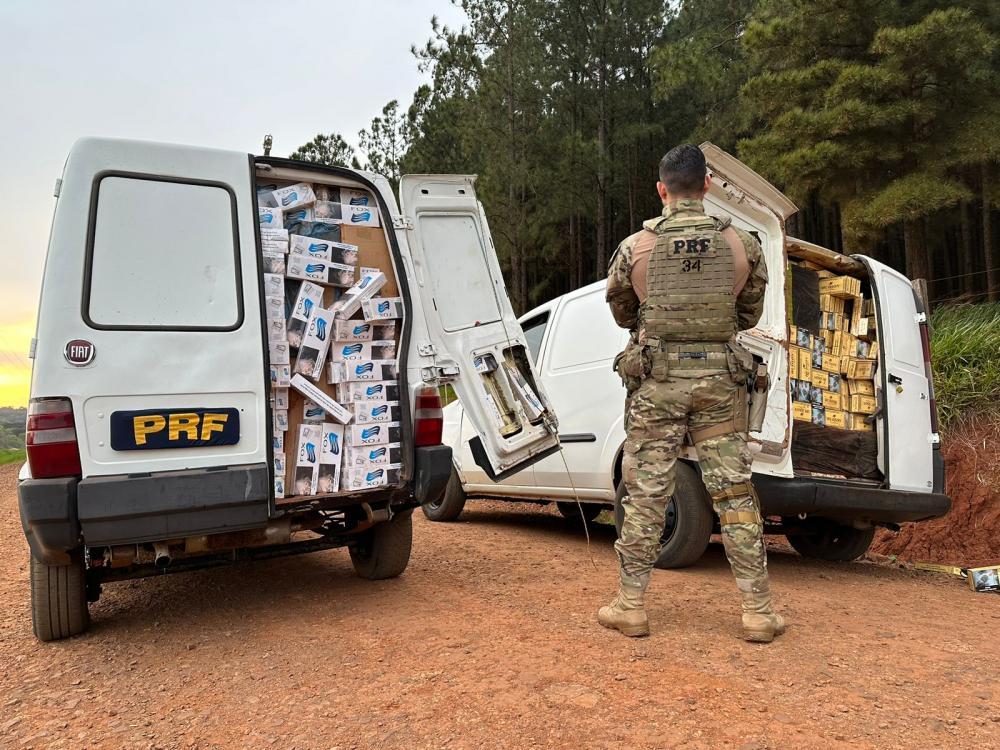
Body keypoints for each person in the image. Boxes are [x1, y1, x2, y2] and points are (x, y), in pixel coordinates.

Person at [600, 144, 785, 643]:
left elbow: (622, 312)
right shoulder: (743, 244)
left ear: (662, 189)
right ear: (707, 185)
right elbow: (748, 314)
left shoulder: (635, 247)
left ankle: (630, 606)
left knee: (646, 495)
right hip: (720, 383)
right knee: (734, 494)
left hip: (657, 383)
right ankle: (758, 612)